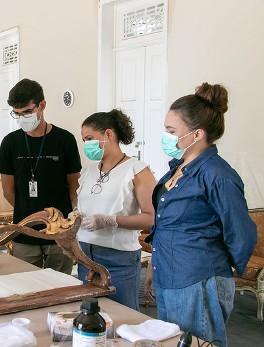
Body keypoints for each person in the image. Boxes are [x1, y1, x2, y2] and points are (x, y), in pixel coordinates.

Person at [144, 83, 257, 346]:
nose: (166, 136)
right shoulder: (178, 168)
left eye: (171, 131)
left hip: (198, 280)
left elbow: (241, 232)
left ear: (197, 135)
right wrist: (154, 265)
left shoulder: (217, 175)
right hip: (169, 275)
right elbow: (164, 225)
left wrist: (216, 270)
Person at [0, 78, 82, 274]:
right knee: (26, 287)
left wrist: (65, 222)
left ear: (42, 105)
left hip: (59, 231)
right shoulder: (10, 143)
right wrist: (30, 215)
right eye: (17, 114)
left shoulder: (65, 140)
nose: (22, 117)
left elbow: (74, 186)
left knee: (61, 285)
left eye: (27, 112)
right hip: (25, 230)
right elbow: (7, 191)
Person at [75, 109, 156, 310]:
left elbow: (151, 218)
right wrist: (74, 217)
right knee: (88, 314)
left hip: (118, 258)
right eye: (84, 140)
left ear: (108, 135)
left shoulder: (137, 170)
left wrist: (111, 220)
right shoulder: (90, 168)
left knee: (122, 316)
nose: (86, 145)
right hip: (85, 254)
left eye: (90, 138)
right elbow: (83, 204)